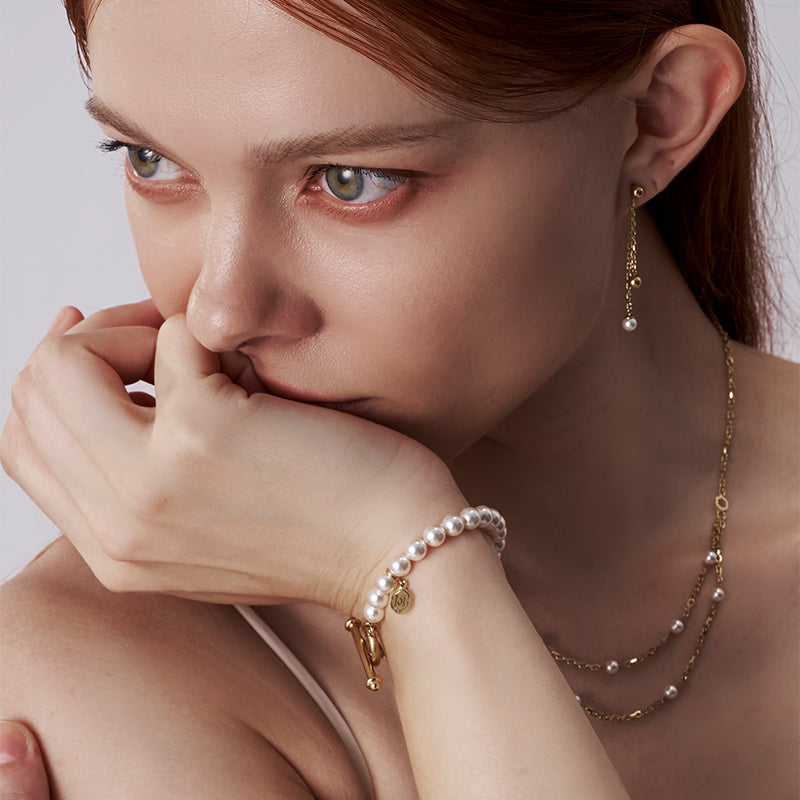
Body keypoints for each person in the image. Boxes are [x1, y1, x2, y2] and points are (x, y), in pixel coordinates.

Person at [1, 0, 798, 797]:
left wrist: (407, 559)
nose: (219, 313)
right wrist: (421, 565)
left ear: (658, 116)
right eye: (151, 161)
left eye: (350, 180)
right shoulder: (98, 659)